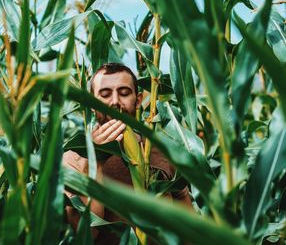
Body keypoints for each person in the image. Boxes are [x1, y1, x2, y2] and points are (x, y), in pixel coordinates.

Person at [63, 63, 192, 243]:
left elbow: (188, 227)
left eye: (124, 93)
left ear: (138, 100)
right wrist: (96, 159)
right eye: (105, 94)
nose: (115, 101)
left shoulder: (162, 151)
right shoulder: (74, 158)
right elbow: (87, 235)